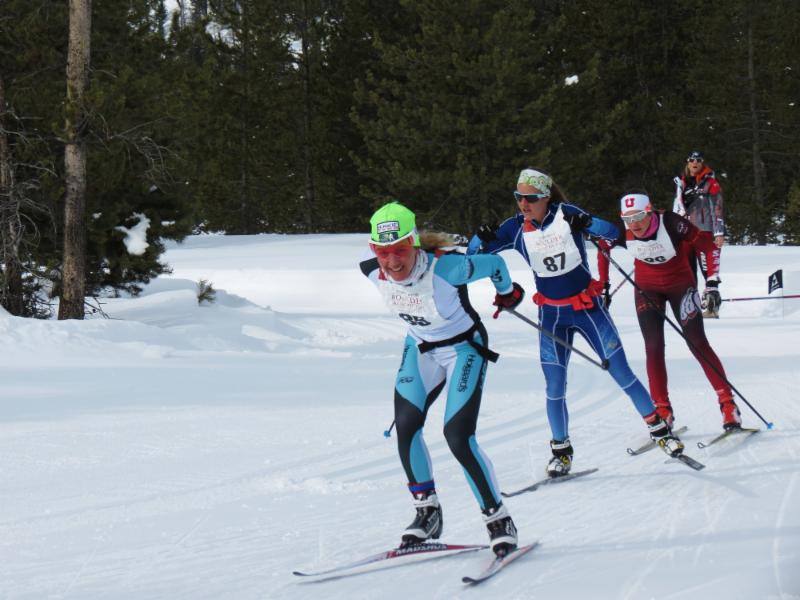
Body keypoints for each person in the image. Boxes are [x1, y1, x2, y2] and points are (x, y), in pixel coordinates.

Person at [467, 168, 684, 478]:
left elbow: (612, 233)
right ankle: (561, 452)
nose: (523, 204)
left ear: (545, 197)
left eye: (530, 198)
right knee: (554, 386)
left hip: (587, 309)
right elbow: (472, 258)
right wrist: (481, 236)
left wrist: (588, 224)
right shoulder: (515, 228)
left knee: (621, 373)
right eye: (518, 197)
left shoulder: (566, 214)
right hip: (552, 316)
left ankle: (660, 431)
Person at [360, 201, 524, 557]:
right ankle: (427, 512)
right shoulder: (371, 270)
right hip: (420, 349)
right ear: (373, 250)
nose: (392, 262)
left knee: (458, 437)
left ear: (414, 244)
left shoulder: (448, 268)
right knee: (406, 425)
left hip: (464, 349)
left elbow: (495, 264)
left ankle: (498, 518)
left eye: (400, 250)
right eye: (383, 252)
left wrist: (508, 293)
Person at [597, 192, 742, 431]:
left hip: (680, 286)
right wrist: (604, 285)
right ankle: (663, 409)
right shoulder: (622, 230)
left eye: (641, 216)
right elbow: (602, 246)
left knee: (697, 342)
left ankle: (728, 404)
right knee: (653, 347)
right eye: (628, 219)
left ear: (651, 211)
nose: (635, 224)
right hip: (647, 290)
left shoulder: (672, 223)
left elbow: (707, 246)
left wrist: (712, 282)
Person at [672, 150, 725, 318]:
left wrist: (719, 231)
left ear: (702, 163)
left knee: (709, 270)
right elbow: (676, 208)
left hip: (704, 232)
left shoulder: (711, 183)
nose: (695, 163)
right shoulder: (681, 182)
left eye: (698, 160)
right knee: (686, 271)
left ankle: (711, 306)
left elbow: (717, 208)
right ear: (687, 163)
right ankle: (690, 306)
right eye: (691, 160)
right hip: (685, 233)